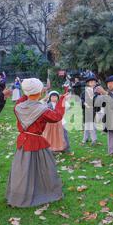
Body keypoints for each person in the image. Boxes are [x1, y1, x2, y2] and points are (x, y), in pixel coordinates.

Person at [6, 78, 66, 208]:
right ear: (39, 92)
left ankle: (20, 194)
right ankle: (43, 191)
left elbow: (22, 100)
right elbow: (57, 117)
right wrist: (61, 100)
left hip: (23, 141)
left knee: (22, 169)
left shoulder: (18, 107)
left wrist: (31, 92)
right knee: (43, 168)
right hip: (37, 141)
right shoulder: (42, 109)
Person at [81, 75, 99, 146]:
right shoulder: (84, 92)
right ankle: (85, 139)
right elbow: (81, 100)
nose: (93, 83)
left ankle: (93, 139)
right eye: (91, 82)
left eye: (94, 82)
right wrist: (84, 103)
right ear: (88, 83)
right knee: (87, 125)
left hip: (95, 110)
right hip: (86, 110)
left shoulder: (97, 92)